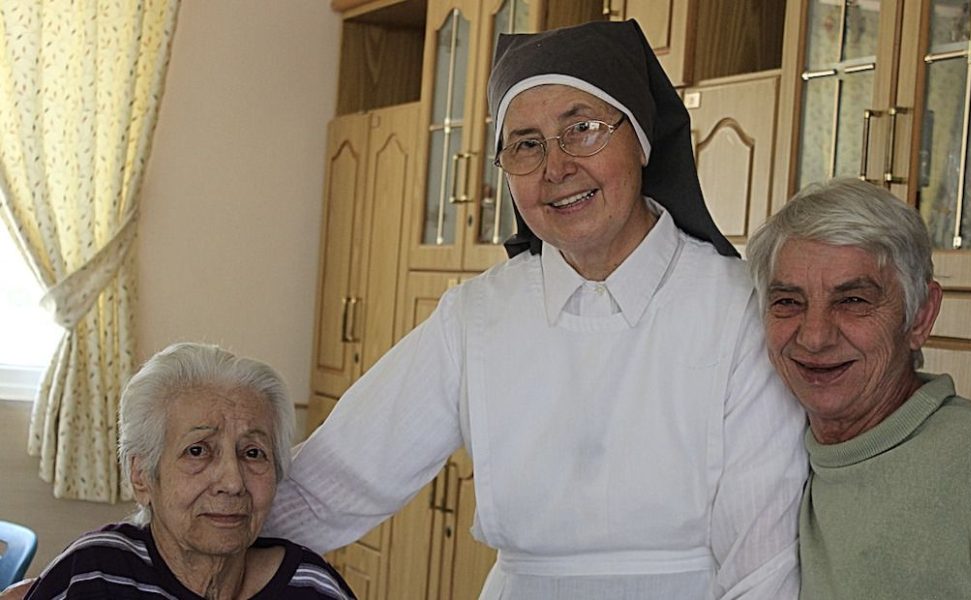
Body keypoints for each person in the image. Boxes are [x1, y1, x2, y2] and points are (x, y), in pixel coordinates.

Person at [264, 19, 807, 599]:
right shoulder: (476, 317)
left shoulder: (740, 308)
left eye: (583, 129)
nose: (556, 167)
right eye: (525, 144)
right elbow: (338, 481)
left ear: (642, 138)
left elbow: (761, 565)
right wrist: (179, 539)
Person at [746, 178, 971, 599]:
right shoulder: (771, 446)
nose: (814, 337)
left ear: (920, 317)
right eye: (788, 302)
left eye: (853, 300)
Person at [17, 343, 356, 600]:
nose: (233, 482)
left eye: (253, 453)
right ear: (142, 476)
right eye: (198, 451)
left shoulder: (312, 588)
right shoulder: (94, 575)